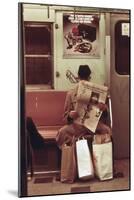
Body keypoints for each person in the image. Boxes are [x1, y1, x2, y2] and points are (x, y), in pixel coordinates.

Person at [56, 65, 112, 149]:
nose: (84, 81)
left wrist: (104, 109)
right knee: (61, 133)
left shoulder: (97, 91)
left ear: (89, 78)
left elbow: (105, 115)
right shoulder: (71, 93)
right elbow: (65, 117)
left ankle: (103, 159)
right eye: (82, 78)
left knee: (107, 131)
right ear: (79, 77)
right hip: (77, 126)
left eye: (85, 78)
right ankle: (67, 158)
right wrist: (70, 116)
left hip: (94, 125)